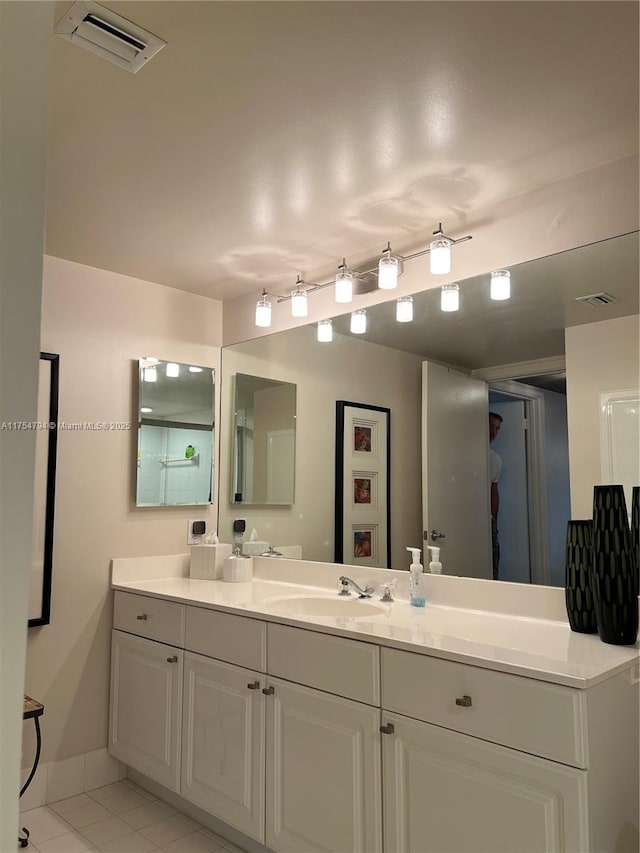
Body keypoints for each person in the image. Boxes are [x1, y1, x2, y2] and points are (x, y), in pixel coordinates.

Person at [489, 411, 503, 580]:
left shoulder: (495, 459)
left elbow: (494, 492)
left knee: (493, 562)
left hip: (488, 521)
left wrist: (494, 522)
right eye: (490, 427)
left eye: (497, 429)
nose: (493, 433)